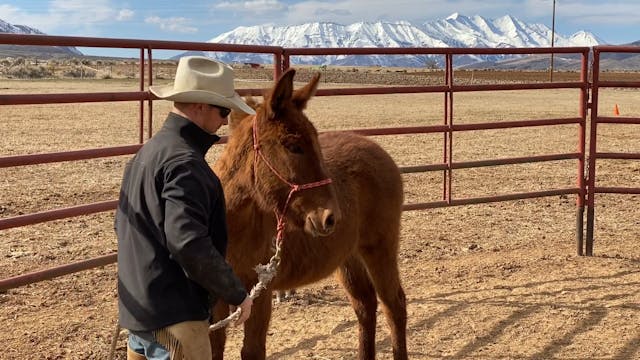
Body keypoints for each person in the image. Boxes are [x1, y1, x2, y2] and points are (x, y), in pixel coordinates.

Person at [115, 56, 256, 360]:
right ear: (199, 106)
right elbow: (188, 242)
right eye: (224, 110)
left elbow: (123, 225)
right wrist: (236, 292)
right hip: (176, 318)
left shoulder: (147, 153)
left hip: (139, 314)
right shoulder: (187, 166)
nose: (225, 120)